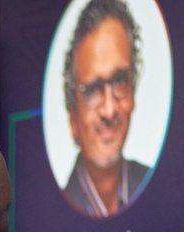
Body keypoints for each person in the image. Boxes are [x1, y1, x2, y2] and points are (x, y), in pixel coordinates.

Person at [62, 0, 149, 217]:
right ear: (73, 115)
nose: (109, 110)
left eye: (120, 81)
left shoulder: (159, 188)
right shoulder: (51, 216)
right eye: (92, 90)